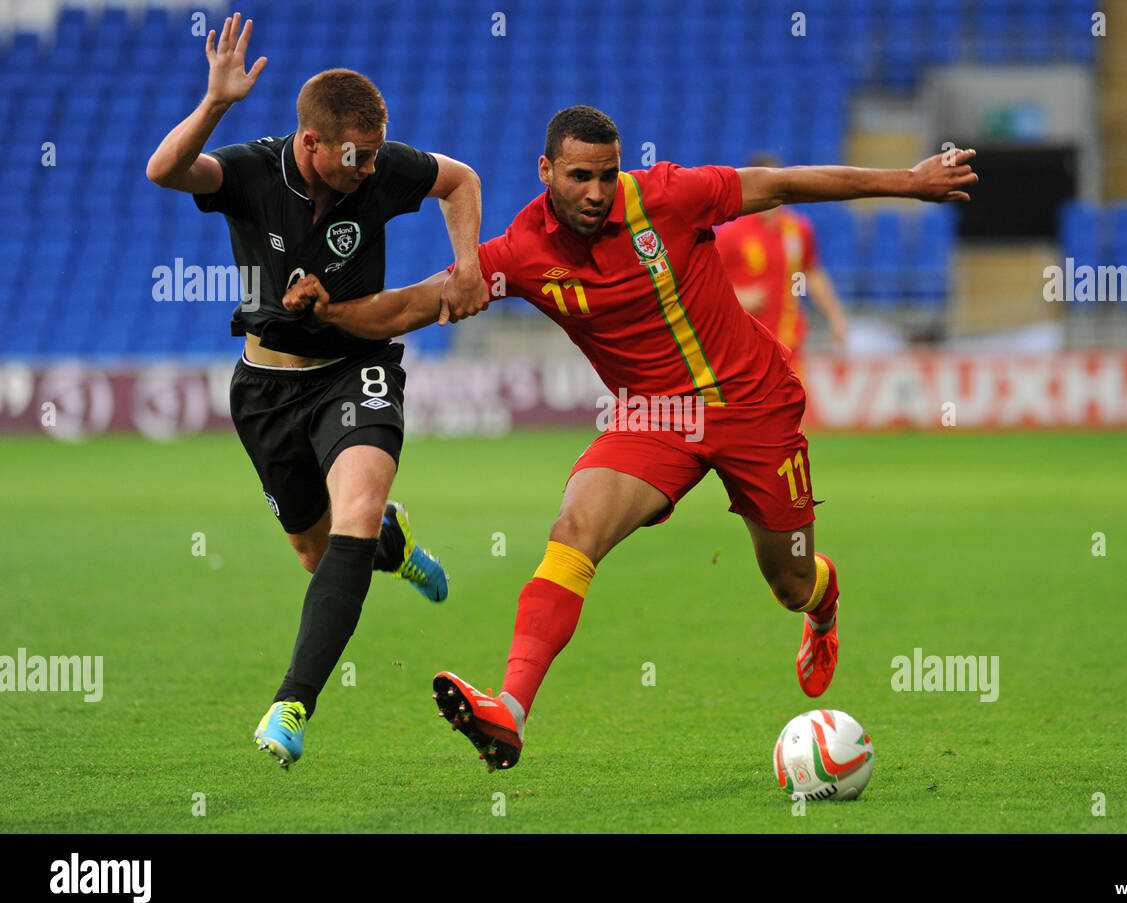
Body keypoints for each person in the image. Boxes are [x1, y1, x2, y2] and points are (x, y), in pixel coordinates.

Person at [282, 105, 976, 772]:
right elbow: (414, 301)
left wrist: (907, 184)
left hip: (754, 407)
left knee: (788, 582)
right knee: (574, 526)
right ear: (545, 170)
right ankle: (510, 711)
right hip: (654, 420)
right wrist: (330, 314)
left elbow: (782, 183)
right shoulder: (523, 252)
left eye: (607, 174)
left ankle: (822, 603)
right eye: (580, 176)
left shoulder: (669, 197)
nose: (596, 192)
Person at [145, 13, 490, 769]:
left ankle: (292, 702)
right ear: (309, 144)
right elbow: (165, 171)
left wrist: (465, 265)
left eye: (373, 156)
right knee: (315, 550)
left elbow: (459, 179)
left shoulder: (381, 166)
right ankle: (393, 548)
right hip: (266, 388)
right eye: (354, 158)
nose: (370, 171)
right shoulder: (250, 171)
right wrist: (214, 104)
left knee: (356, 511)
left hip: (356, 370)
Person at [716, 153, 852, 368]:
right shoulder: (730, 233)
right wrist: (736, 297)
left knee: (795, 400)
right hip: (744, 345)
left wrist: (836, 316)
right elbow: (706, 281)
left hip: (789, 343)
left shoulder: (797, 229)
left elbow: (811, 272)